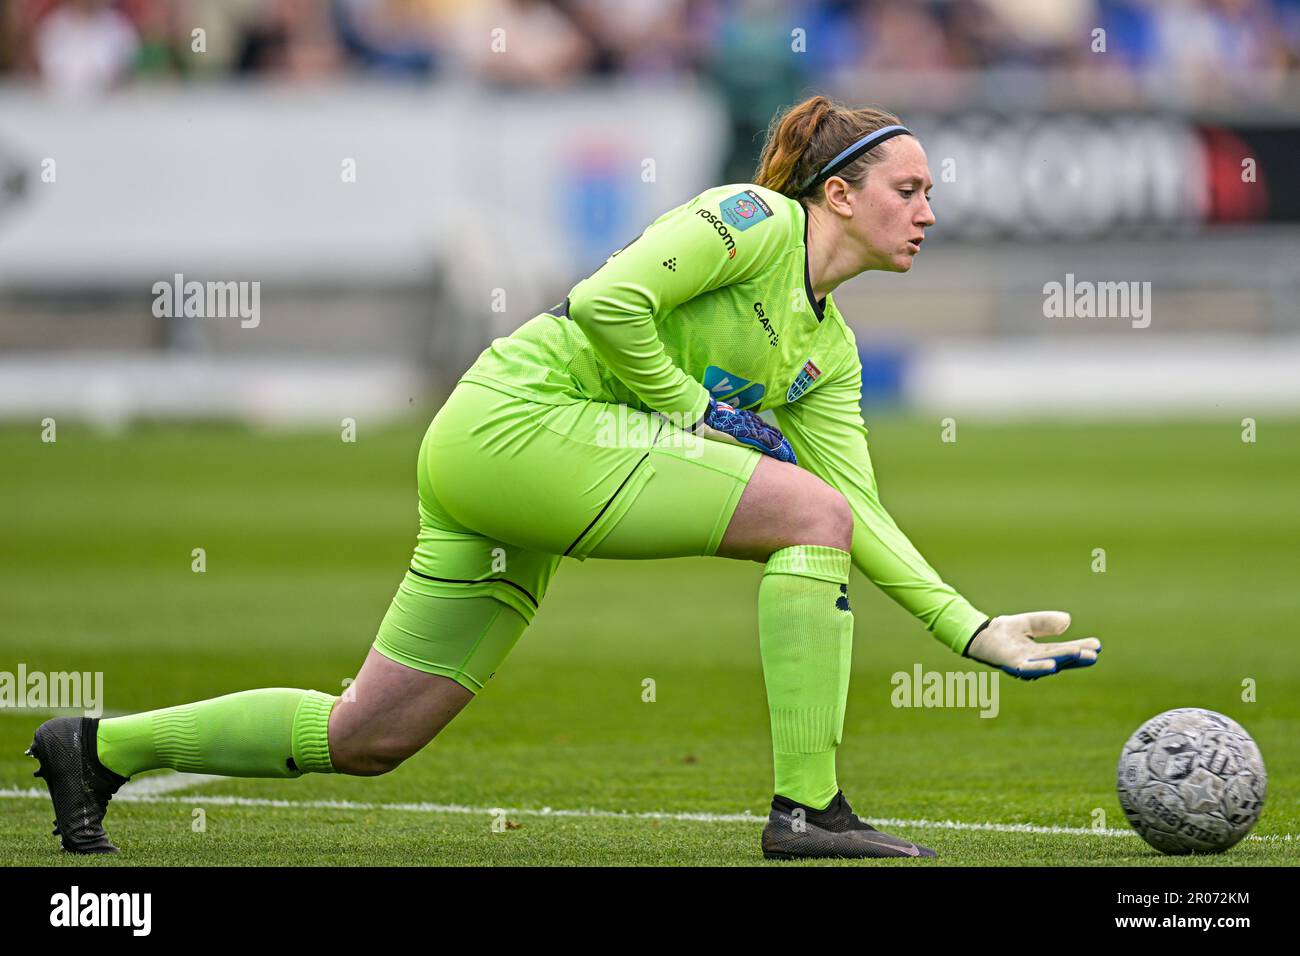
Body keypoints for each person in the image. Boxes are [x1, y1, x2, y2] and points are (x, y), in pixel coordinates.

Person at [27, 95, 1101, 860]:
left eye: (929, 193)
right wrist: (695, 413)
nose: (927, 210)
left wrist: (969, 628)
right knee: (800, 510)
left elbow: (858, 509)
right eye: (907, 188)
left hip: (526, 469)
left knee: (371, 735)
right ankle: (808, 810)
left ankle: (95, 746)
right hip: (515, 426)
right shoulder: (749, 220)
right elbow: (605, 301)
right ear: (836, 192)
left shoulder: (829, 357)